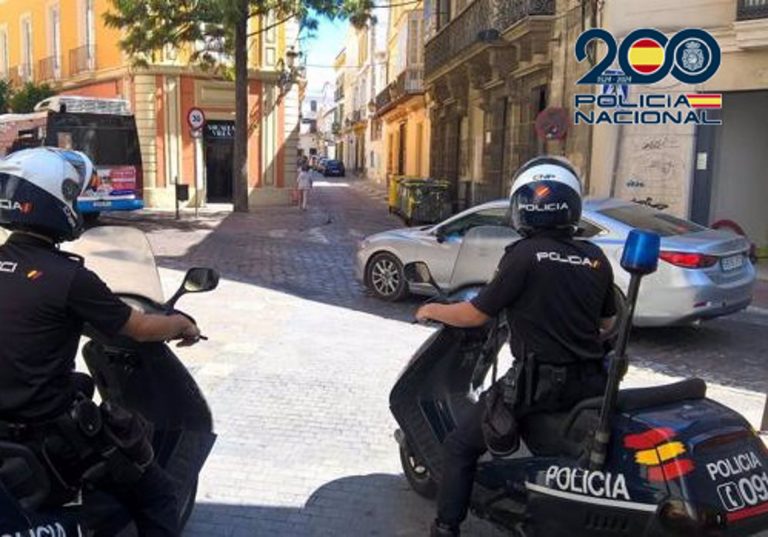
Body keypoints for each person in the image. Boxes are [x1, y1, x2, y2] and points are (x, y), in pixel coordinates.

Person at [0, 147, 202, 536]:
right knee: (158, 492)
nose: (77, 203)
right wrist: (182, 324)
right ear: (50, 199)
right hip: (48, 436)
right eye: (72, 194)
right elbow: (139, 328)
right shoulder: (69, 278)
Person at [415, 156, 617, 537]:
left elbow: (477, 313)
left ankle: (446, 527)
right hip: (590, 384)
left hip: (536, 387)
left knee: (460, 446)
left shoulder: (523, 255)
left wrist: (434, 309)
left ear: (523, 206)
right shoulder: (595, 257)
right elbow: (607, 325)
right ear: (571, 205)